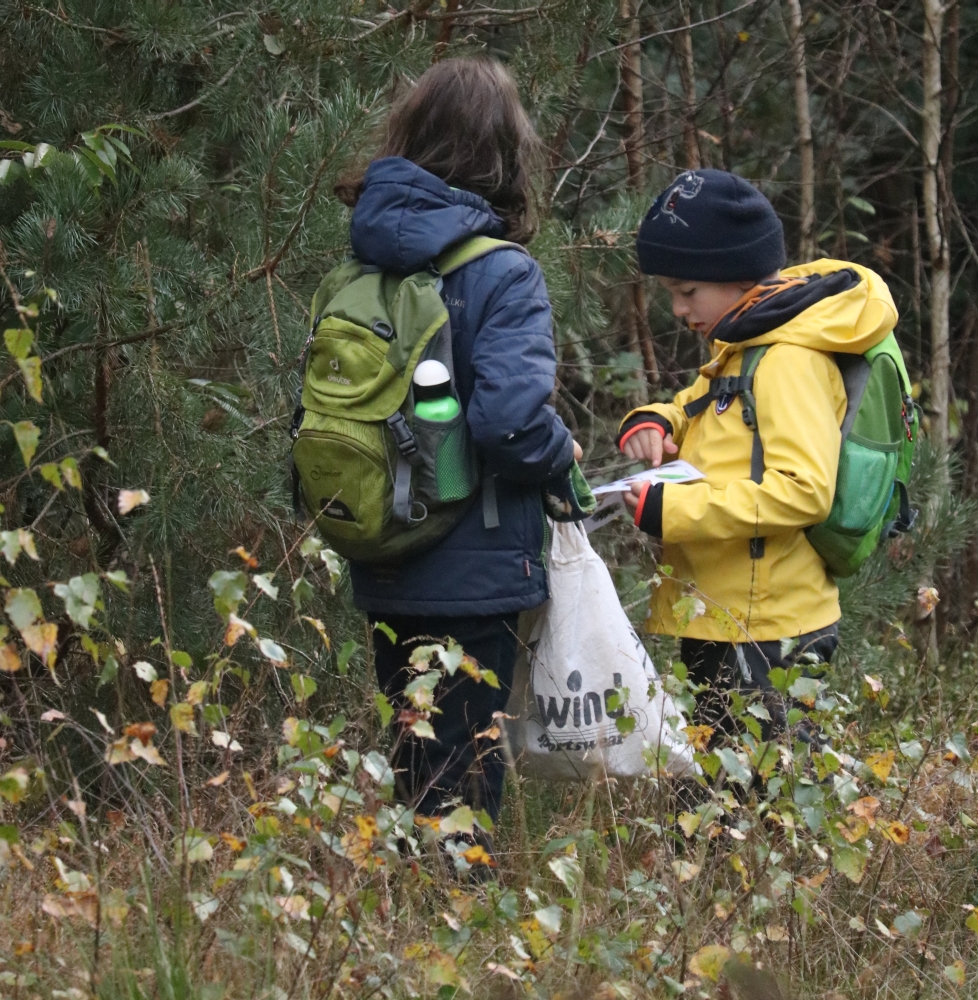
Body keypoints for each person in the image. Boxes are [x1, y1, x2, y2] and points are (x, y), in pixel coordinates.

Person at [335, 58, 590, 842]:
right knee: (462, 774)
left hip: (380, 552)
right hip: (473, 567)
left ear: (407, 139)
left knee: (414, 759)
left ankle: (405, 929)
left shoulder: (363, 265)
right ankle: (448, 939)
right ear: (507, 156)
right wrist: (563, 455)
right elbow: (510, 423)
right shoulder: (504, 273)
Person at [617, 169, 898, 740]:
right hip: (726, 615)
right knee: (717, 801)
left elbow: (803, 490)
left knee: (757, 806)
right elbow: (697, 408)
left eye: (686, 291)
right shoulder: (743, 347)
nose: (676, 308)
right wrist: (651, 422)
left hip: (768, 627)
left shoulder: (787, 360)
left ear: (734, 275)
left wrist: (673, 512)